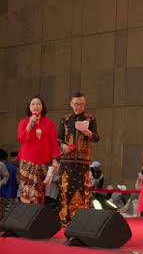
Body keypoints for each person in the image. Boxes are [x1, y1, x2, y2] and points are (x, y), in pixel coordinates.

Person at [58, 91, 99, 225]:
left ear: (84, 104)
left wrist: (89, 133)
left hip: (83, 160)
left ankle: (80, 220)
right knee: (66, 188)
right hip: (66, 160)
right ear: (71, 104)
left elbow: (97, 137)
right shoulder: (65, 119)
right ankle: (64, 218)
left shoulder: (90, 118)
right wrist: (63, 145)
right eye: (76, 104)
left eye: (81, 104)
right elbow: (58, 138)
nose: (79, 107)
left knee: (82, 189)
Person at [17, 96, 60, 204]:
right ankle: (26, 216)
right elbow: (22, 138)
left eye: (38, 104)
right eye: (33, 104)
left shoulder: (49, 123)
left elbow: (54, 143)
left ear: (42, 107)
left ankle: (36, 216)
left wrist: (55, 159)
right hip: (27, 162)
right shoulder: (24, 122)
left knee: (39, 191)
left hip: (43, 162)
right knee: (27, 191)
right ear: (29, 107)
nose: (35, 106)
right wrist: (30, 124)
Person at [0, 149, 17, 215]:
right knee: (8, 213)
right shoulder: (13, 167)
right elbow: (16, 182)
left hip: (2, 194)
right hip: (11, 193)